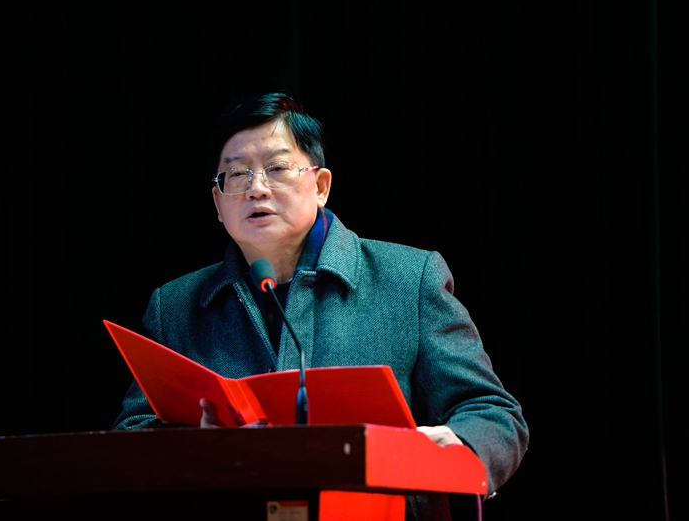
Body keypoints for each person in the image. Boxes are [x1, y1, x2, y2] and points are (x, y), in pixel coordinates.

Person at [113, 92, 528, 520]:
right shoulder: (175, 306)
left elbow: (492, 414)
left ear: (321, 186)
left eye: (277, 169)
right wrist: (198, 450)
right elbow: (130, 438)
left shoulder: (408, 279)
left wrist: (455, 445)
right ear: (218, 203)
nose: (256, 188)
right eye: (236, 174)